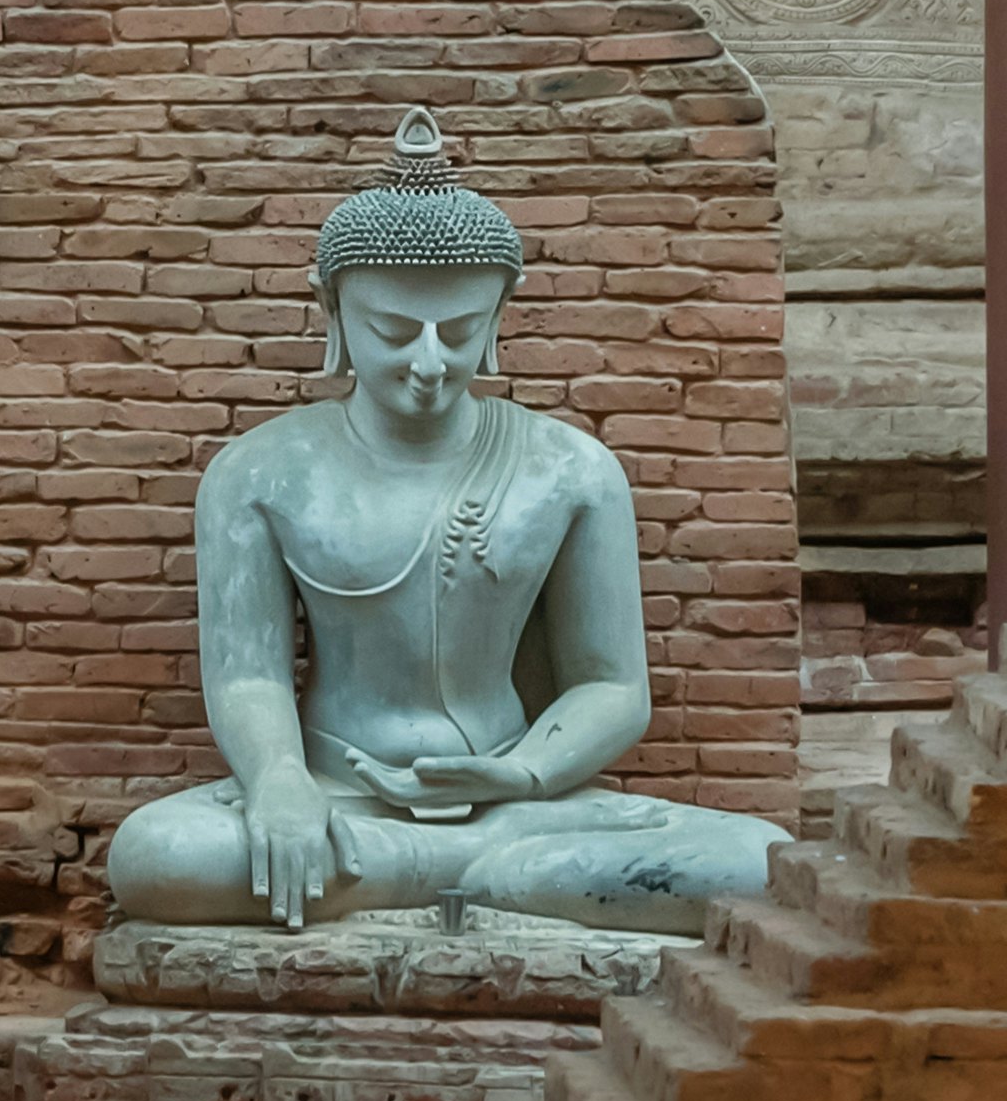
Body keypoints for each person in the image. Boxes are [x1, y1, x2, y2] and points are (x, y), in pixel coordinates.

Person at [101, 120, 784, 933]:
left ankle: (460, 868)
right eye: (392, 332)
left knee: (762, 860)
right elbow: (248, 676)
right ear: (333, 311)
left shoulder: (568, 469)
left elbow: (611, 686)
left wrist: (523, 775)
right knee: (157, 855)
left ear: (498, 318)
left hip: (514, 800)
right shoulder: (258, 473)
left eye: (459, 333)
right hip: (334, 801)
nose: (428, 363)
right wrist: (278, 782)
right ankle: (507, 882)